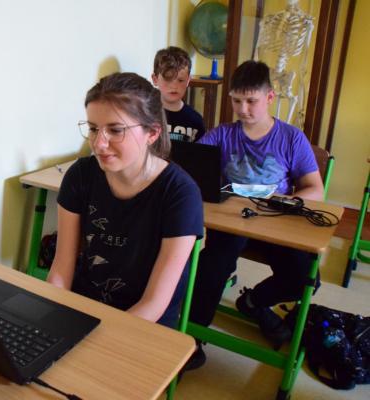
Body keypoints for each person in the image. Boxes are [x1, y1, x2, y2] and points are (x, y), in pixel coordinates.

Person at [186, 60, 324, 369]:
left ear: (270, 97)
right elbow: (190, 166)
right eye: (237, 101)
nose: (243, 109)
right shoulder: (222, 134)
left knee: (305, 278)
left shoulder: (291, 138)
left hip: (275, 224)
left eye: (251, 101)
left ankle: (253, 301)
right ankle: (192, 339)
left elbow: (316, 190)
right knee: (210, 268)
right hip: (232, 225)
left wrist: (282, 203)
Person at [47, 72, 203, 328]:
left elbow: (154, 303)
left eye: (115, 130)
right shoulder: (80, 175)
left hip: (144, 325)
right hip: (84, 310)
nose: (99, 143)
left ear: (152, 133)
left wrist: (99, 337)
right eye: (93, 128)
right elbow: (61, 270)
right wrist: (50, 319)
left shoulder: (180, 193)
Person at [152, 46, 206, 142]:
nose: (174, 86)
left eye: (180, 80)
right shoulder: (145, 115)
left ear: (188, 80)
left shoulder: (196, 121)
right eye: (168, 79)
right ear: (155, 79)